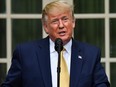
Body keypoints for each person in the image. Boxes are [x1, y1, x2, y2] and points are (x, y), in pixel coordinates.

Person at [1, 0, 110, 87]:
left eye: (65, 19)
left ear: (73, 23)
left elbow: (101, 84)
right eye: (55, 21)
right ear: (46, 27)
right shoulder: (25, 53)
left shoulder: (90, 54)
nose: (61, 25)